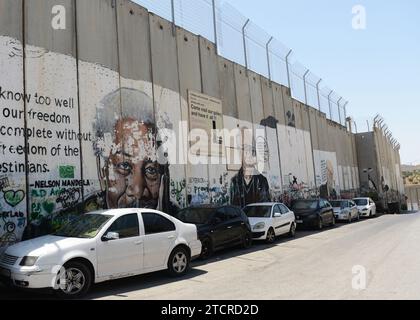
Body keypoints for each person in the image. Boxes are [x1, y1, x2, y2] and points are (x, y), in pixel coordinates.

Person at [230, 127, 270, 207]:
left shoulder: (261, 181)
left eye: (249, 147)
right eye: (242, 148)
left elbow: (265, 209)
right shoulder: (234, 182)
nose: (246, 152)